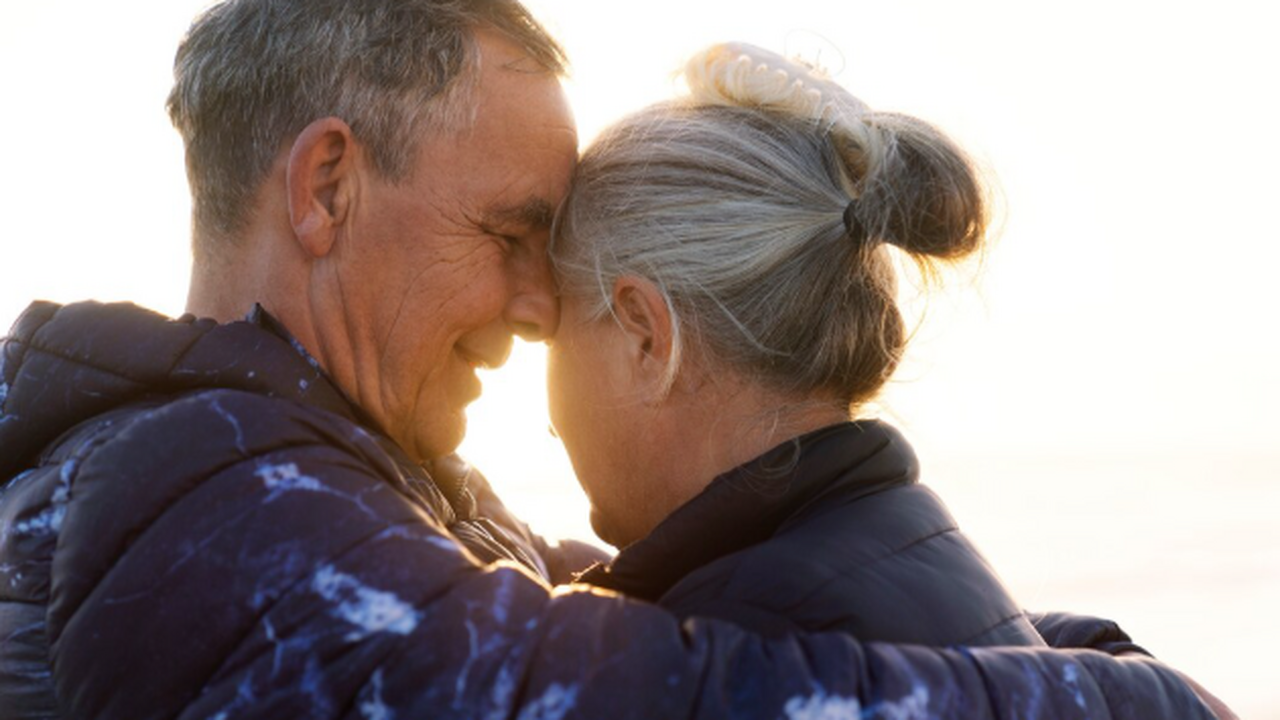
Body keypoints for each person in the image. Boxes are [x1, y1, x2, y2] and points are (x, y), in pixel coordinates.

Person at [0, 0, 1224, 718]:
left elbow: (612, 596)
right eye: (509, 234)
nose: (541, 308)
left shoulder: (340, 483)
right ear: (326, 186)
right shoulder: (207, 492)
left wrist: (1063, 640)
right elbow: (638, 694)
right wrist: (1127, 699)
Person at [549, 41, 1044, 647]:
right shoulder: (912, 556)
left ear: (646, 338)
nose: (549, 424)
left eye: (552, 334)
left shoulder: (731, 640)